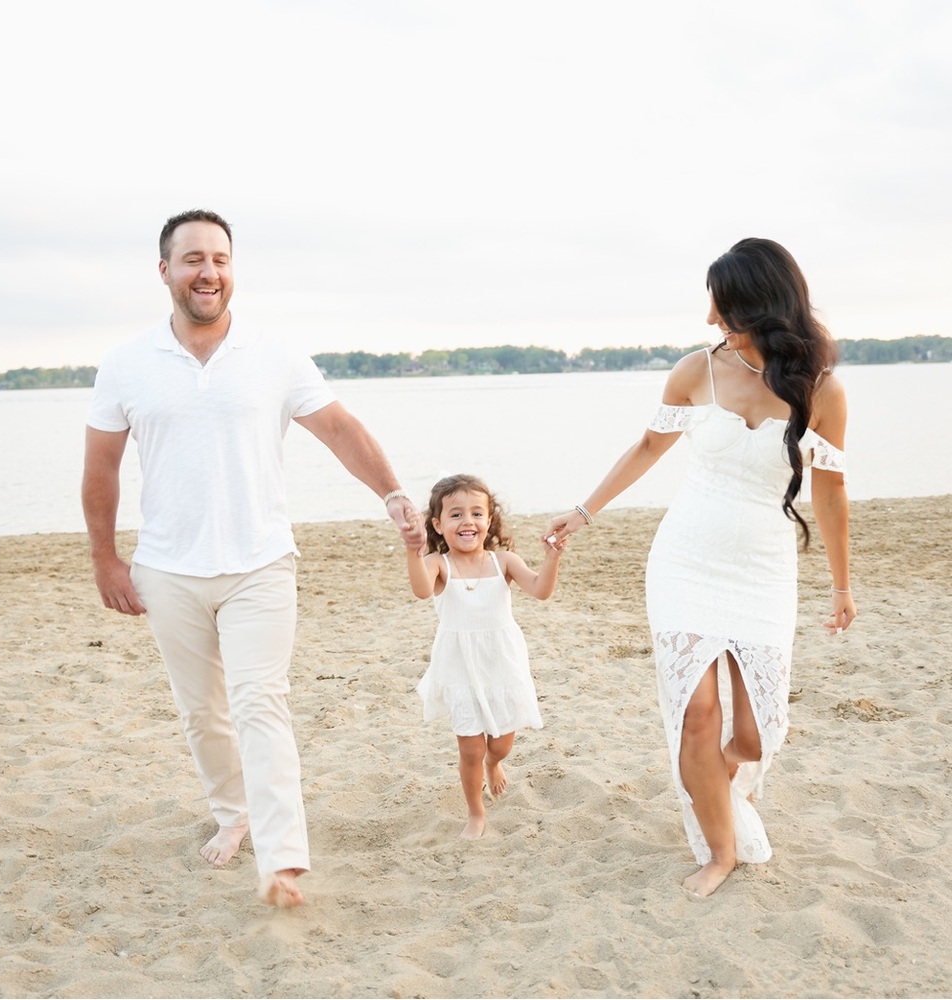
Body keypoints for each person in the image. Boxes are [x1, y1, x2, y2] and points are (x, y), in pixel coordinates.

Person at [81, 208, 425, 909]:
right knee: (201, 712)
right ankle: (233, 813)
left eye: (220, 259)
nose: (208, 272)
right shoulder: (125, 364)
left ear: (232, 268)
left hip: (262, 563)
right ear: (165, 271)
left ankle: (282, 855)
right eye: (193, 259)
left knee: (260, 702)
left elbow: (339, 428)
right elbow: (102, 468)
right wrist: (105, 559)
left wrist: (390, 491)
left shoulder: (275, 354)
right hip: (169, 569)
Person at [547, 238, 857, 897]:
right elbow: (648, 445)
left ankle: (711, 782)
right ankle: (718, 852)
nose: (712, 321)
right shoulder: (697, 371)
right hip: (686, 560)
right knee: (697, 714)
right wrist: (584, 511)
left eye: (723, 308)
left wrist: (842, 585)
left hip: (763, 572)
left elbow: (830, 492)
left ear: (761, 306)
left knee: (756, 731)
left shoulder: (823, 390)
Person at [405, 474, 566, 840]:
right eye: (456, 515)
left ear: (489, 520)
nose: (468, 522)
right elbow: (419, 590)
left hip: (500, 666)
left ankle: (495, 764)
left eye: (477, 513)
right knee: (471, 749)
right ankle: (475, 813)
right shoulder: (437, 564)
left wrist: (551, 557)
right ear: (438, 524)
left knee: (500, 745)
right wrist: (412, 550)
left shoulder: (503, 561)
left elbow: (540, 590)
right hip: (460, 668)